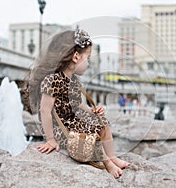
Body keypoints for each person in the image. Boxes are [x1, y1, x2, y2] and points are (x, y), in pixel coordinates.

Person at [28, 29, 130, 179]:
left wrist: (91, 110)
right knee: (90, 131)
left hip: (73, 121)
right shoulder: (52, 80)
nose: (88, 63)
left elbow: (77, 104)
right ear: (76, 57)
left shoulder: (74, 81)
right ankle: (107, 163)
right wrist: (50, 139)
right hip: (60, 127)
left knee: (103, 123)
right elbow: (44, 111)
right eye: (87, 58)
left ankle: (112, 156)